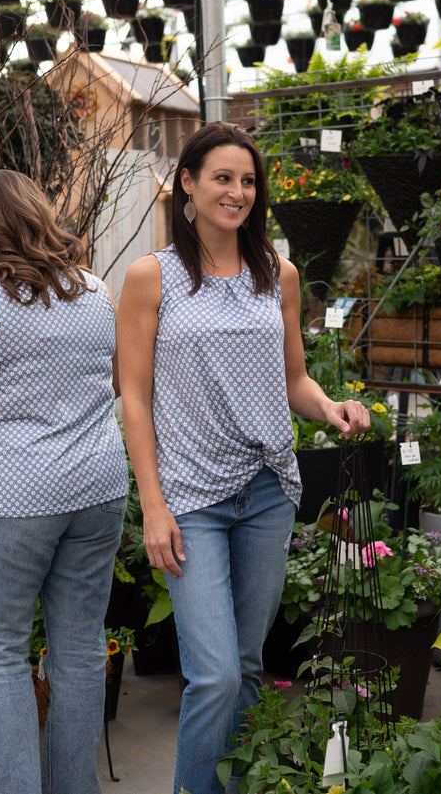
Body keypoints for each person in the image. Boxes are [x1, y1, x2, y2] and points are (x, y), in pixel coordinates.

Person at [115, 121, 372, 794]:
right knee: (215, 673)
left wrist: (330, 407)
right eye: (222, 178)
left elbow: (294, 380)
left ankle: (238, 784)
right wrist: (152, 504)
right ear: (188, 185)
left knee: (251, 665)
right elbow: (133, 398)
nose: (236, 192)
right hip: (190, 499)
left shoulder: (276, 274)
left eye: (247, 180)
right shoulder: (152, 278)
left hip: (266, 489)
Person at [0, 169, 128, 794]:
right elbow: (119, 383)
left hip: (13, 497)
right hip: (97, 490)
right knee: (78, 649)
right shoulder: (94, 290)